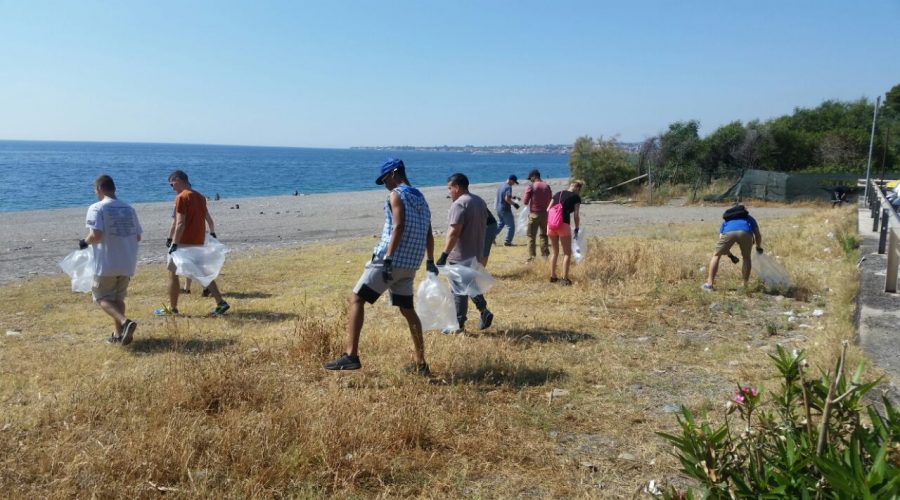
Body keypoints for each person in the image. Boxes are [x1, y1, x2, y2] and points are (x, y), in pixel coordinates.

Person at [324, 159, 437, 375]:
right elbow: (428, 233)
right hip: (411, 264)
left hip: (390, 261)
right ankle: (421, 363)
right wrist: (430, 261)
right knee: (407, 310)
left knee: (357, 298)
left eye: (386, 179)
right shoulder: (422, 198)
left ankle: (351, 355)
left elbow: (398, 225)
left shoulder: (396, 194)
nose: (385, 184)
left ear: (395, 173)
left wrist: (388, 258)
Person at [79, 175, 142, 345]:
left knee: (101, 297)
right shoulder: (129, 209)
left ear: (99, 188)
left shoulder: (97, 208)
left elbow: (96, 235)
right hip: (127, 262)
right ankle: (118, 335)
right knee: (118, 299)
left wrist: (84, 242)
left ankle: (124, 322)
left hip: (107, 263)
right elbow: (137, 237)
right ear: (114, 188)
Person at [156, 170, 230, 316]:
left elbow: (180, 223)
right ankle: (221, 302)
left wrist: (174, 243)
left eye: (172, 184)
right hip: (198, 241)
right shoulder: (200, 197)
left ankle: (173, 309)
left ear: (178, 180)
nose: (171, 188)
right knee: (202, 273)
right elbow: (205, 218)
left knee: (172, 273)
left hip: (183, 242)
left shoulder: (182, 197)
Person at [436, 173, 494, 333]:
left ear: (456, 187)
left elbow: (454, 232)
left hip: (459, 254)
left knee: (458, 291)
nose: (449, 193)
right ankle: (484, 311)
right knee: (469, 284)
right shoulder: (479, 201)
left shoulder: (459, 204)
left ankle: (458, 325)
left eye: (449, 189)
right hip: (475, 252)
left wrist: (444, 255)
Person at [703, 204, 763, 291]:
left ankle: (709, 285)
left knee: (716, 255)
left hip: (728, 233)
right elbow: (758, 234)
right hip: (746, 232)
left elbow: (722, 242)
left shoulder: (727, 220)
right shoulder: (749, 218)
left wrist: (731, 256)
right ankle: (745, 285)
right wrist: (758, 246)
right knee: (746, 258)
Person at [547, 181, 583, 285]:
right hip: (563, 224)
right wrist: (576, 227)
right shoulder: (576, 197)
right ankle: (564, 279)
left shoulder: (558, 193)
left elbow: (548, 209)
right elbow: (576, 215)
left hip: (551, 224)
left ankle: (553, 276)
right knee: (567, 253)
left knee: (555, 252)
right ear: (578, 188)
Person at [522, 169, 552, 261]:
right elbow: (551, 199)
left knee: (531, 236)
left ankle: (531, 258)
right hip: (545, 215)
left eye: (530, 178)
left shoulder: (531, 186)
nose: (530, 180)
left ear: (534, 176)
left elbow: (525, 202)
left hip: (534, 214)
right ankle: (545, 256)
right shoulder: (547, 186)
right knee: (544, 235)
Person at [495, 174, 520, 246]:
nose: (513, 184)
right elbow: (507, 199)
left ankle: (491, 236)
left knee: (501, 223)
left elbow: (504, 195)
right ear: (511, 180)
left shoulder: (501, 185)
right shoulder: (509, 187)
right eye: (514, 182)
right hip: (505, 209)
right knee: (511, 226)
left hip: (498, 208)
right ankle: (508, 242)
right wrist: (515, 204)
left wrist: (514, 197)